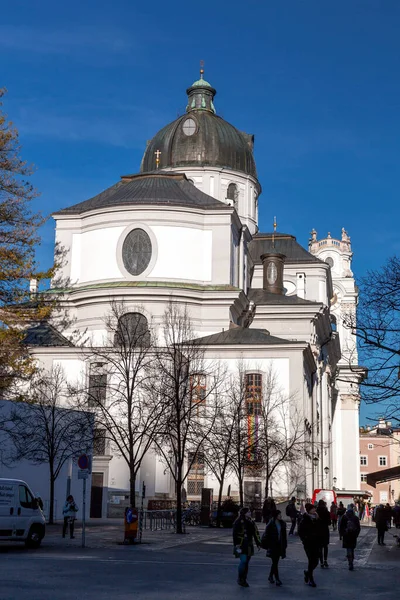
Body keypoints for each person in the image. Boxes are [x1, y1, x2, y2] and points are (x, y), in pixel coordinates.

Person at [233, 507, 261, 587]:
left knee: (247, 562)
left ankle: (244, 578)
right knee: (243, 561)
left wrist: (258, 543)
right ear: (244, 513)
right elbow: (235, 534)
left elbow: (255, 532)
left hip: (249, 543)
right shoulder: (238, 522)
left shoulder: (251, 522)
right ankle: (240, 578)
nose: (250, 513)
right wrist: (237, 544)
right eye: (248, 512)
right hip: (241, 544)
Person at [298, 503, 320, 587]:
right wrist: (305, 539)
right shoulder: (305, 519)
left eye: (315, 509)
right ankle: (311, 579)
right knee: (311, 560)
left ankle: (307, 572)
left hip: (316, 542)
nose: (314, 510)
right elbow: (300, 531)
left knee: (316, 561)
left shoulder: (316, 518)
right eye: (313, 509)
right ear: (309, 510)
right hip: (308, 543)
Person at [264, 509, 287, 586]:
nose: (280, 516)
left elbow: (284, 536)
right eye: (279, 514)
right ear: (275, 516)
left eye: (280, 514)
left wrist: (285, 545)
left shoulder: (282, 523)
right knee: (275, 562)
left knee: (275, 562)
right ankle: (277, 579)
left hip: (279, 545)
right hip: (273, 545)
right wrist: (268, 545)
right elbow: (266, 535)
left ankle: (270, 576)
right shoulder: (271, 524)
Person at [339, 504, 361, 570]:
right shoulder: (355, 518)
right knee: (352, 549)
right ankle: (352, 561)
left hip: (346, 535)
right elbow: (358, 527)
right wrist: (356, 534)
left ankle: (350, 562)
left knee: (348, 549)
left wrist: (342, 534)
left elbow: (341, 527)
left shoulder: (344, 517)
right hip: (353, 535)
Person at [317, 499, 331, 568]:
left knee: (320, 547)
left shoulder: (316, 512)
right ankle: (325, 560)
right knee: (325, 546)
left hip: (318, 531)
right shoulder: (327, 512)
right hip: (325, 530)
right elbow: (329, 523)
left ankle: (321, 562)